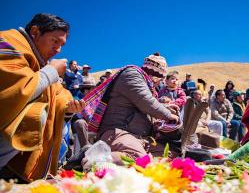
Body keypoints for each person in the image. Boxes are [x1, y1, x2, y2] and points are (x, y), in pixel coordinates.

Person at [0, 13, 84, 181]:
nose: (58, 49)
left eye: (62, 44)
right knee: (35, 115)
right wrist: (51, 71)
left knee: (60, 124)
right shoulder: (8, 42)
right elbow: (14, 92)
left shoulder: (40, 62)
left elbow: (58, 99)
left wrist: (68, 111)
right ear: (35, 32)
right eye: (55, 41)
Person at [83, 52, 179, 163]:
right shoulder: (132, 74)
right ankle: (91, 160)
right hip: (119, 132)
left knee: (171, 154)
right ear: (155, 73)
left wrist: (165, 107)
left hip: (139, 136)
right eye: (160, 78)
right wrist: (168, 115)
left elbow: (144, 103)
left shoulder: (146, 84)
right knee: (139, 159)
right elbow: (145, 101)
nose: (159, 82)